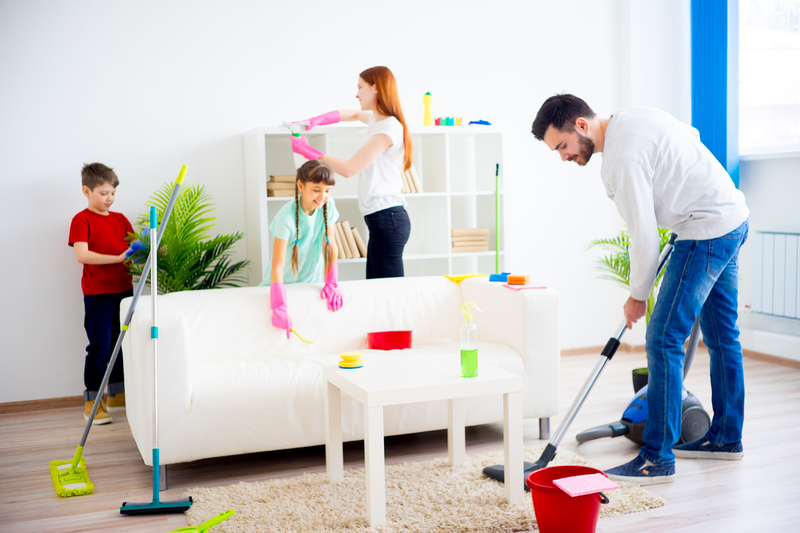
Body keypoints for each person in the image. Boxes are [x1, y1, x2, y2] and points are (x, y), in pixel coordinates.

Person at [531, 94, 750, 485]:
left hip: (704, 230)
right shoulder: (633, 118)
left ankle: (656, 459)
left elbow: (644, 234)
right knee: (722, 337)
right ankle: (726, 438)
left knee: (663, 338)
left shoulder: (620, 158)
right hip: (731, 217)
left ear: (581, 125)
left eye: (562, 145)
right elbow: (690, 136)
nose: (563, 157)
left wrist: (637, 295)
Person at [290, 65, 412, 279]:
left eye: (360, 87)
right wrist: (317, 120)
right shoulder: (377, 121)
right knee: (376, 286)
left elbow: (349, 169)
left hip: (388, 218)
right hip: (381, 220)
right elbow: (354, 114)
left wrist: (309, 151)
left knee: (388, 290)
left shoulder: (388, 128)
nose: (357, 94)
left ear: (376, 88)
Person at [68, 163, 134, 424]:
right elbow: (82, 255)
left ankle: (117, 394)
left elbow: (135, 246)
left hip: (124, 290)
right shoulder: (81, 220)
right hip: (98, 294)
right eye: (104, 193)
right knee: (100, 347)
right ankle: (93, 403)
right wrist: (117, 258)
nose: (110, 198)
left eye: (113, 193)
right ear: (87, 191)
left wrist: (153, 248)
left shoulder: (120, 219)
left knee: (120, 344)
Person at [260, 159, 342, 338]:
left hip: (312, 283)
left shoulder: (328, 206)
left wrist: (331, 283)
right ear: (300, 186)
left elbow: (331, 245)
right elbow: (277, 266)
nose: (322, 196)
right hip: (282, 286)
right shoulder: (286, 218)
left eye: (327, 190)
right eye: (316, 190)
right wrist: (278, 306)